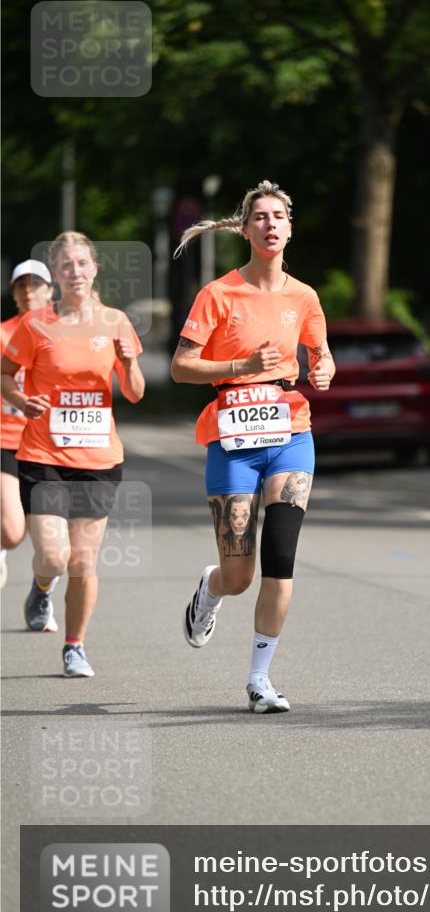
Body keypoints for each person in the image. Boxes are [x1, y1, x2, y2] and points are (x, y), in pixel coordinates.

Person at [171, 179, 335, 713]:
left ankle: (260, 679)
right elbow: (180, 367)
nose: (270, 225)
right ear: (245, 229)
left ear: (290, 228)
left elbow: (320, 354)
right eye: (260, 217)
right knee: (239, 575)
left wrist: (326, 367)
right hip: (233, 438)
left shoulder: (304, 296)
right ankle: (211, 588)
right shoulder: (218, 294)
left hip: (291, 433)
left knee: (281, 559)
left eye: (278, 217)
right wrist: (241, 366)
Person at [0, 231, 145, 676]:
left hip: (99, 460)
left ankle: (74, 646)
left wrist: (130, 363)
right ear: (56, 275)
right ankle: (42, 586)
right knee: (53, 556)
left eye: (82, 263)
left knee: (82, 561)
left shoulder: (116, 321)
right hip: (44, 455)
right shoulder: (35, 324)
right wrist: (23, 402)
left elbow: (135, 394)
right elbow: (5, 375)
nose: (75, 272)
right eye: (66, 266)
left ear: (94, 268)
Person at [1, 260, 54, 590]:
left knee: (50, 543)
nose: (28, 290)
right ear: (13, 292)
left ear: (50, 291)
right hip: (6, 438)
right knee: (11, 530)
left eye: (35, 284)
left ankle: (43, 591)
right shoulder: (3, 333)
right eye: (21, 284)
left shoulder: (62, 335)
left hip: (48, 444)